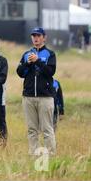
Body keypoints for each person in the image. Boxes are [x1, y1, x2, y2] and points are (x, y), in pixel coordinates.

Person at [17, 27, 57, 155]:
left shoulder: (50, 54)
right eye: (33, 36)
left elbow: (50, 72)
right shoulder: (26, 54)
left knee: (46, 128)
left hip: (45, 97)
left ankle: (50, 154)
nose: (36, 38)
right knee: (31, 129)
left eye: (38, 36)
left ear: (44, 37)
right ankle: (33, 154)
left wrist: (38, 61)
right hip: (28, 96)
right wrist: (28, 63)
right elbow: (20, 73)